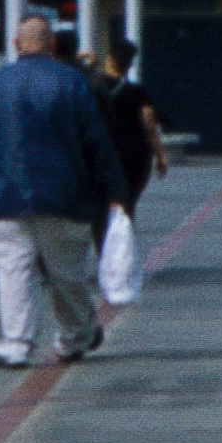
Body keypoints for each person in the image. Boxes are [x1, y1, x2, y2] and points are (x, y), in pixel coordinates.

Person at [0, 11, 124, 368]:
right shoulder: (73, 83)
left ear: (15, 44)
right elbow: (96, 142)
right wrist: (114, 190)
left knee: (12, 270)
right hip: (65, 195)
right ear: (52, 44)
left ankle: (16, 343)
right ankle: (76, 333)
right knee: (66, 272)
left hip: (5, 196)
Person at [90, 38, 170, 307]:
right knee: (126, 208)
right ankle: (121, 260)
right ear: (129, 64)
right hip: (135, 157)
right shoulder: (137, 92)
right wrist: (160, 154)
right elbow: (149, 123)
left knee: (101, 209)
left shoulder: (93, 85)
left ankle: (105, 257)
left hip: (103, 156)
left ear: (110, 57)